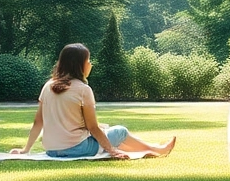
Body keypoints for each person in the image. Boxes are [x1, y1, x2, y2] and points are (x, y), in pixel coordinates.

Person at [11, 43, 176, 159]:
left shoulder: (48, 86)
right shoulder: (83, 90)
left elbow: (37, 122)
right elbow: (92, 128)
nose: (91, 64)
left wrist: (26, 149)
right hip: (77, 149)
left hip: (52, 151)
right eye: (88, 61)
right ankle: (157, 150)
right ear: (80, 65)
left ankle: (151, 147)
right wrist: (111, 150)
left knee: (107, 130)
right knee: (120, 132)